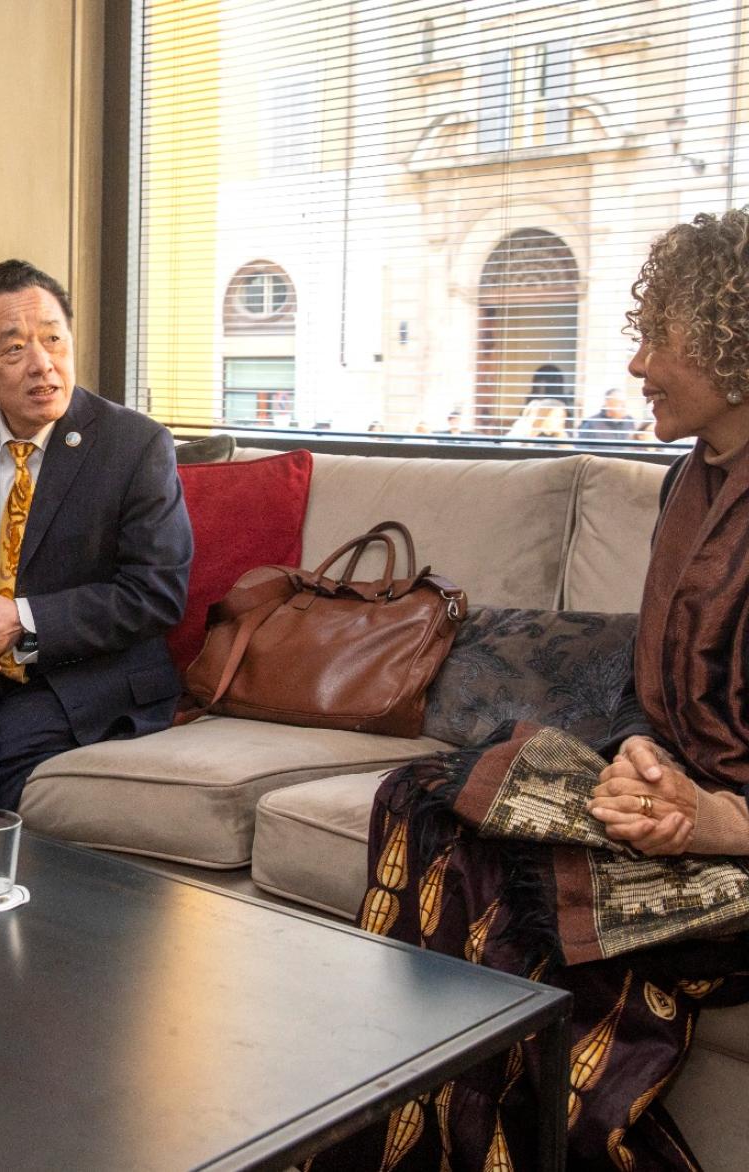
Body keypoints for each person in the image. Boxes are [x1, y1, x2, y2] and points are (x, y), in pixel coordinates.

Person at [305, 209, 749, 1171]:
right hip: (670, 796)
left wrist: (712, 822)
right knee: (423, 799)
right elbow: (656, 676)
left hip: (738, 842)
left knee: (520, 888)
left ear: (729, 340)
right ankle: (398, 1128)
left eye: (656, 337)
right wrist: (644, 751)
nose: (636, 367)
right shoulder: (690, 484)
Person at [0, 259, 192, 810]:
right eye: (15, 348)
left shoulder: (136, 445)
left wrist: (22, 620)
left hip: (87, 675)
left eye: (53, 339)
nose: (43, 365)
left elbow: (156, 593)